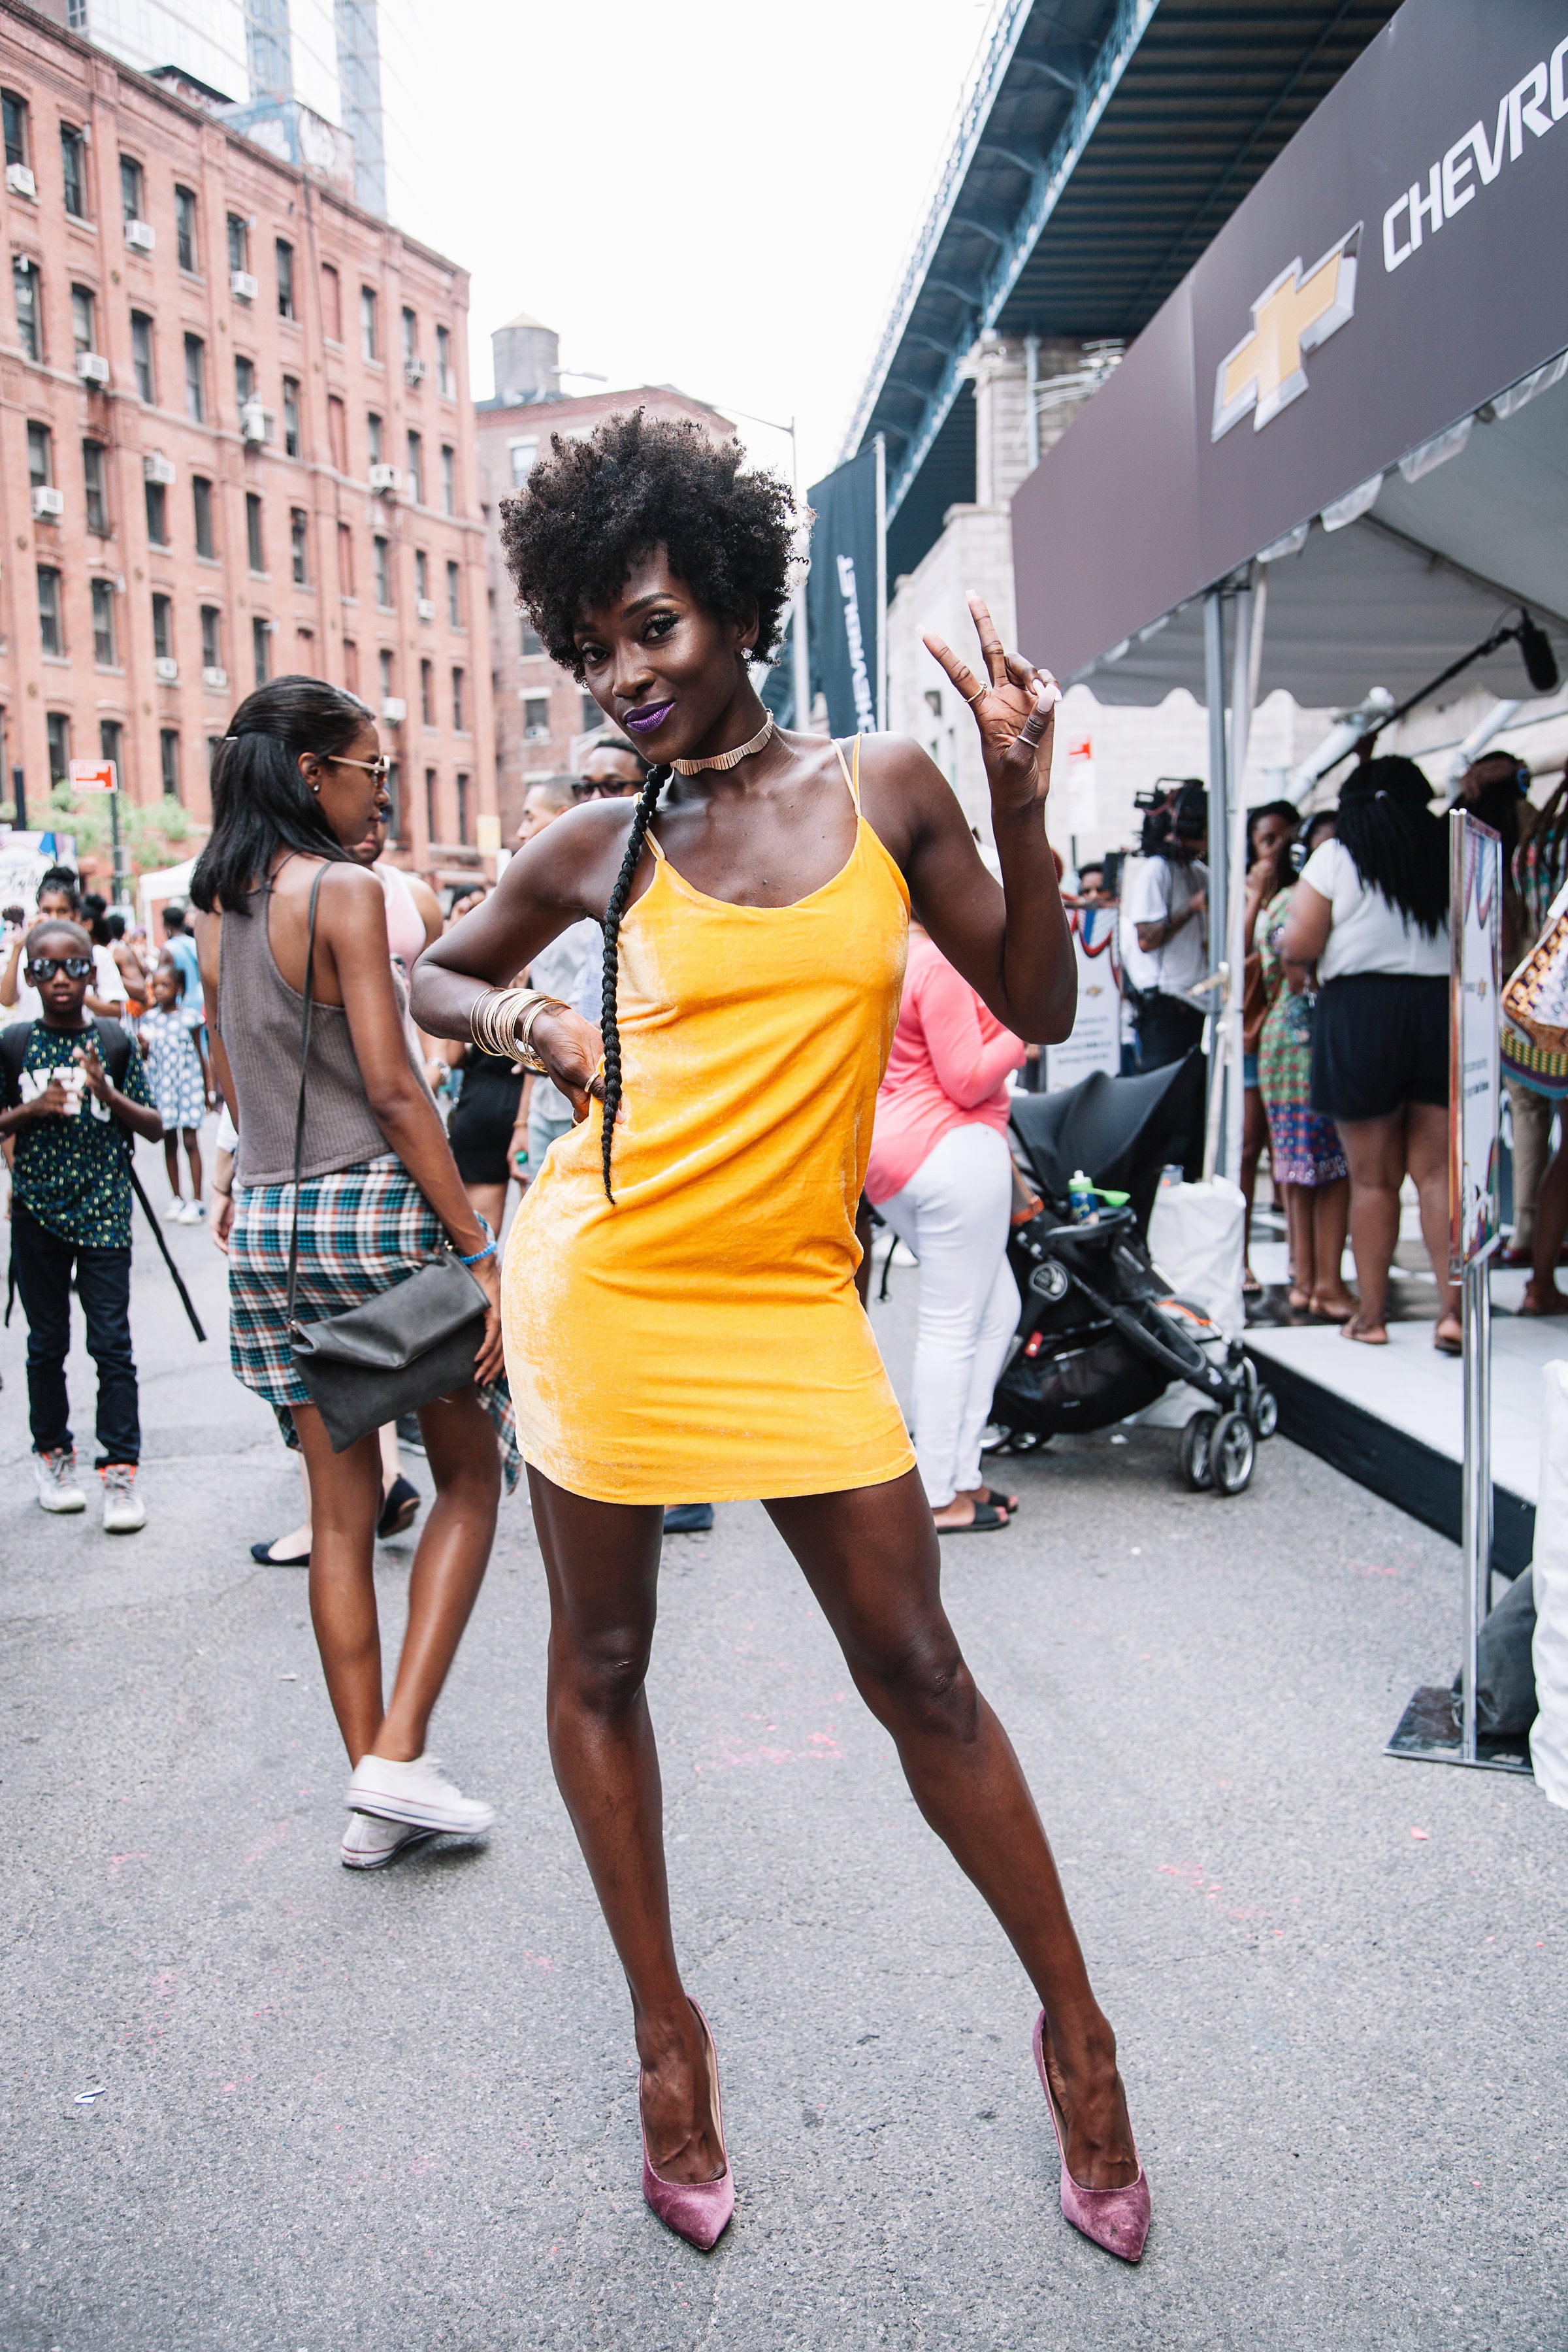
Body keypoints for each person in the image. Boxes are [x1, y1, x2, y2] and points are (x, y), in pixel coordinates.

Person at [412, 414, 1146, 2259]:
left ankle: (1079, 2036)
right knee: (600, 1664)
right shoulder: (604, 833)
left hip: (794, 1307)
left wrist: (1027, 799)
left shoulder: (888, 787)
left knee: (921, 1674)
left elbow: (1041, 1000)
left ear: (733, 602)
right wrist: (536, 1041)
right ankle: (667, 2046)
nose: (627, 673)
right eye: (592, 646)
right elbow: (437, 975)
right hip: (614, 1283)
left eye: (651, 626)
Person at [191, 675, 515, 1872]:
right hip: (371, 1214)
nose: (380, 789)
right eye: (372, 769)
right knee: (471, 1482)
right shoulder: (343, 891)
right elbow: (393, 1089)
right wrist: (479, 1250)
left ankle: (376, 1796)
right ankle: (399, 1757)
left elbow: (233, 1079)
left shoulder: (217, 901)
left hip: (268, 1224)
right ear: (312, 772)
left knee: (338, 1517)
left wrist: (231, 1190)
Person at [1281, 757, 1458, 1351]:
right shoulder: (1450, 850)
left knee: (1373, 1181)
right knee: (1437, 1176)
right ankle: (1451, 1314)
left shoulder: (1338, 855)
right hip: (1441, 1009)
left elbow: (1300, 944)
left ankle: (1373, 1318)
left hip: (1360, 1013)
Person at [0, 916, 162, 1529]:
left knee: (111, 1345)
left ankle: (120, 1472)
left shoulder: (114, 1040)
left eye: (73, 966)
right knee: (47, 1345)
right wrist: (31, 1110)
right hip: (36, 1212)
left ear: (92, 972)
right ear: (30, 976)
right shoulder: (14, 1043)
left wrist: (108, 1093)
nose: (61, 978)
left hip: (104, 1211)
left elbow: (154, 1125)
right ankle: (54, 1456)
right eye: (45, 968)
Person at [864, 924, 1026, 1531]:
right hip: (950, 1149)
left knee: (998, 1309)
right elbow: (965, 1078)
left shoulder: (888, 952)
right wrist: (1022, 1034)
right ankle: (938, 1494)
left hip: (893, 1153)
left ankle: (962, 1472)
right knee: (955, 1327)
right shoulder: (941, 963)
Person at [1255, 834, 1354, 1318]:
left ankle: (1302, 1278)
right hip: (1312, 1038)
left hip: (1280, 1040)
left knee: (1295, 1169)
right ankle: (1328, 1285)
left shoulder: (1275, 902)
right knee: (1334, 1168)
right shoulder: (1304, 904)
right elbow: (1297, 970)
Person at [1239, 802, 1301, 1294]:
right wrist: (1256, 897)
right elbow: (1238, 960)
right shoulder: (1246, 890)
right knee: (1247, 1146)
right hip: (1251, 1029)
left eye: (1286, 839)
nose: (1277, 850)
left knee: (1295, 1148)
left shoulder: (1305, 897)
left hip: (1290, 1032)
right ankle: (1238, 1259)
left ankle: (1303, 1262)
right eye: (1267, 840)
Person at [1120, 782, 1208, 1071]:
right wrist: (1192, 908)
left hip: (1197, 1005)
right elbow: (1146, 940)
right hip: (1166, 1008)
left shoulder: (1199, 872)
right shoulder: (1155, 872)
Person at [137, 953, 211, 1222]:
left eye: (164, 985)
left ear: (179, 989)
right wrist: (143, 1049)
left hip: (188, 1087)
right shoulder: (148, 1021)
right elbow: (146, 1059)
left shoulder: (190, 1018)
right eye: (155, 985)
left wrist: (208, 1090)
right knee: (169, 1143)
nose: (158, 991)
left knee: (190, 1141)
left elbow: (202, 1055)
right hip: (163, 1091)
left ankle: (198, 1200)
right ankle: (177, 1198)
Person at [2, 868, 126, 1021]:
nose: (54, 919)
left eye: (62, 911)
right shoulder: (26, 955)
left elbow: (115, 1012)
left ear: (75, 915)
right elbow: (6, 1000)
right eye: (47, 911)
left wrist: (76, 990)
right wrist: (18, 947)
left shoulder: (97, 955)